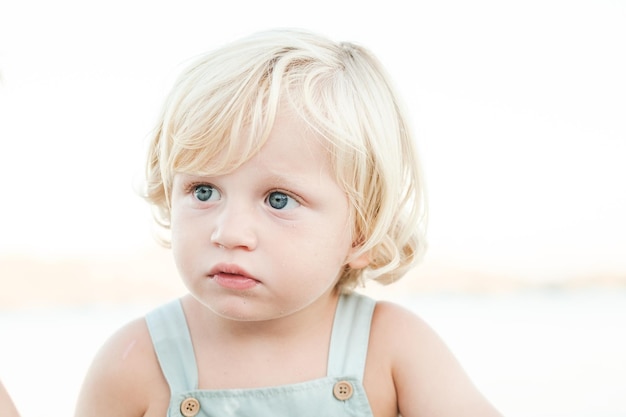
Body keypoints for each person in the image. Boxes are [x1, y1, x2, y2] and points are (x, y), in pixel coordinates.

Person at [75, 29, 503, 417]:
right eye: (203, 191)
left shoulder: (393, 349)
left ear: (361, 230)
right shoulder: (135, 361)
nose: (229, 233)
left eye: (278, 200)